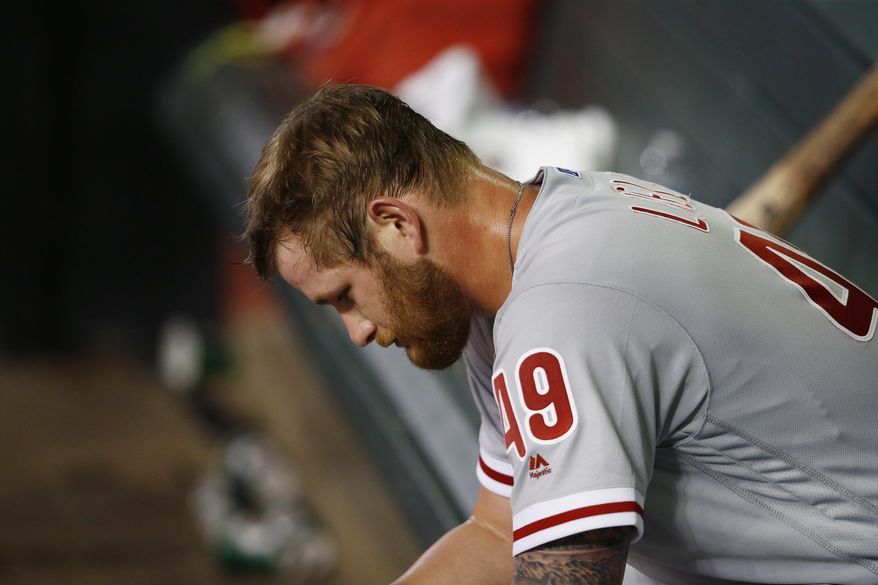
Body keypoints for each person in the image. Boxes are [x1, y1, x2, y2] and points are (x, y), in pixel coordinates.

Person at [243, 84, 878, 585]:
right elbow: (498, 531)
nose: (355, 330)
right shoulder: (556, 227)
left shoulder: (561, 312)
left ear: (395, 226)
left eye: (346, 297)